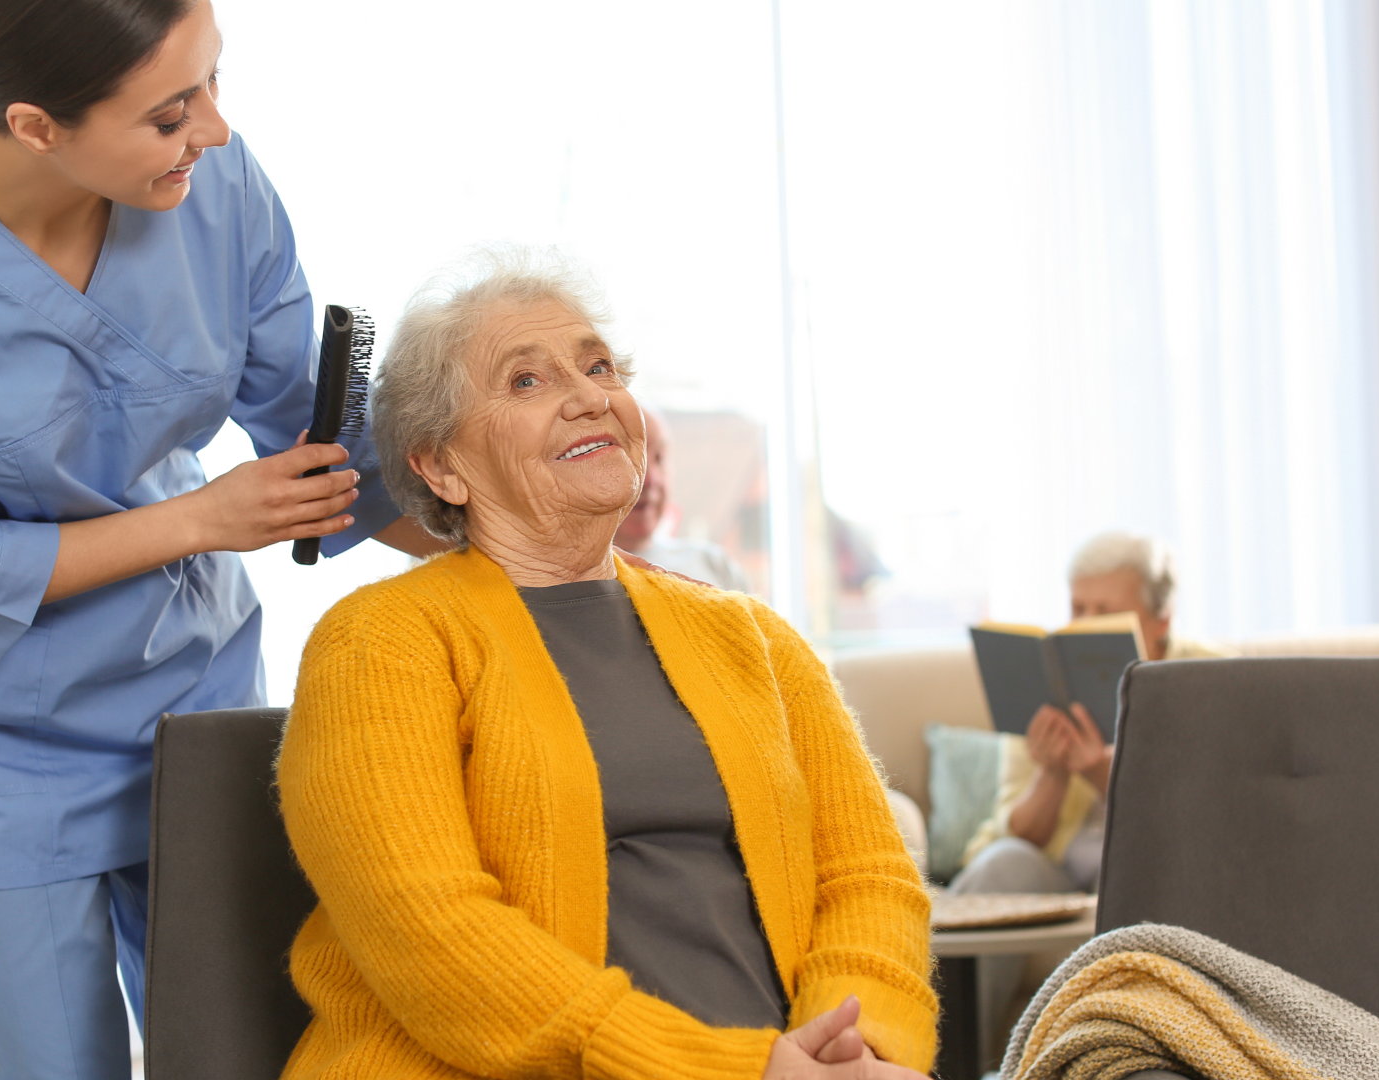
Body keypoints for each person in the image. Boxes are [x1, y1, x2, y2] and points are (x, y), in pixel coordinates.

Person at [0, 3, 443, 1074]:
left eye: (216, 85)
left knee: (247, 1055)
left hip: (194, 703)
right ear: (41, 125)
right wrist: (203, 519)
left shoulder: (215, 189)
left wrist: (534, 549)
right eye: (172, 113)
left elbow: (329, 457)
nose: (217, 132)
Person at [278, 248, 937, 1079]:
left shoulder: (752, 636)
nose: (590, 396)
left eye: (598, 367)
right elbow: (429, 929)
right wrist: (735, 1069)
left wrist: (859, 1044)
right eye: (527, 381)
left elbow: (868, 873)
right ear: (440, 465)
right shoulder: (380, 641)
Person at [954, 531, 1229, 897]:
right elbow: (1021, 834)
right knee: (1004, 863)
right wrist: (1052, 772)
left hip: (1153, 868)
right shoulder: (1047, 677)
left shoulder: (1215, 679)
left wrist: (1103, 774)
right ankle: (948, 953)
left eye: (1107, 613)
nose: (1085, 624)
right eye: (1078, 608)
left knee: (1134, 867)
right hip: (1055, 869)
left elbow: (1212, 827)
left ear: (1161, 618)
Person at [614, 406, 752, 591]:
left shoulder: (714, 565)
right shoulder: (576, 580)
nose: (651, 479)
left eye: (660, 458)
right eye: (631, 460)